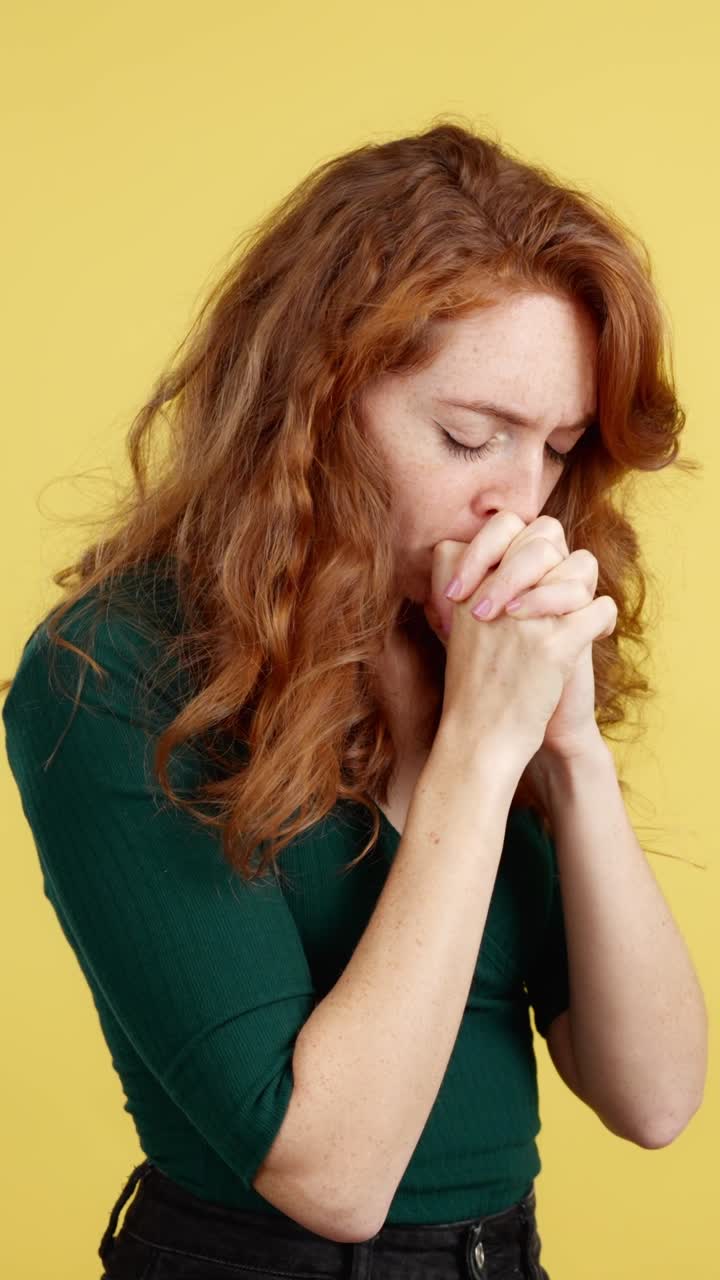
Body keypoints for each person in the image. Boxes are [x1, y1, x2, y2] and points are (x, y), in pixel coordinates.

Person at [1, 119, 706, 1280]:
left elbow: (656, 1095)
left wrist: (569, 752)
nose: (520, 502)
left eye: (557, 448)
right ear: (315, 404)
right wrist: (478, 752)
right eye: (470, 436)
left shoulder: (465, 645)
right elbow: (332, 1175)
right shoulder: (113, 670)